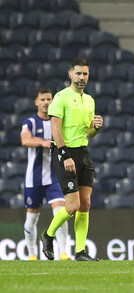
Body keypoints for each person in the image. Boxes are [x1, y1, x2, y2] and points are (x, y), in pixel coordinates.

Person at [39, 58, 103, 261]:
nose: (82, 77)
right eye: (78, 73)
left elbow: (90, 134)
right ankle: (48, 235)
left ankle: (81, 251)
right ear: (70, 74)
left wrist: (96, 128)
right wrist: (64, 154)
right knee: (72, 206)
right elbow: (55, 128)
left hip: (83, 153)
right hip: (65, 152)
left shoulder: (90, 100)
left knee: (85, 203)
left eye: (85, 74)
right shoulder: (61, 97)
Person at [21, 86, 71, 261]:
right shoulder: (30, 122)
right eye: (42, 99)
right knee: (32, 218)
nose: (46, 102)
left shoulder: (57, 122)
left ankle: (64, 252)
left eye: (49, 99)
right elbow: (25, 139)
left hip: (54, 178)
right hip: (33, 179)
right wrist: (43, 143)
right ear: (36, 102)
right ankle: (32, 255)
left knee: (60, 213)